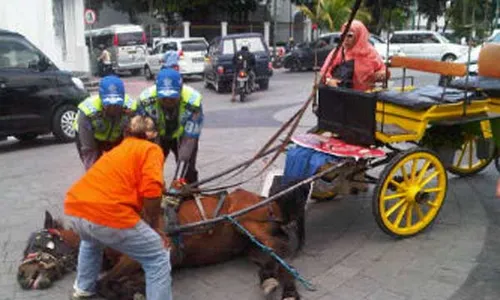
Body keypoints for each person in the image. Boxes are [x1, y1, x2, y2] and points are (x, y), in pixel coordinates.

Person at [65, 115, 172, 300]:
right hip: (108, 216)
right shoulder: (151, 149)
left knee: (91, 241)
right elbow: (152, 192)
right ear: (154, 136)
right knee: (158, 256)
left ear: (126, 133)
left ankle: (83, 291)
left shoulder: (118, 150)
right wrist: (154, 228)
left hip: (77, 211)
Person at [138, 68, 203, 184]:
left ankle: (190, 194)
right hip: (158, 135)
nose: (168, 100)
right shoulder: (145, 100)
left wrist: (177, 182)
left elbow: (189, 142)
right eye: (164, 97)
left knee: (187, 170)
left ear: (180, 90)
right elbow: (147, 139)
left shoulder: (194, 102)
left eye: (172, 97)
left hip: (185, 135)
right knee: (151, 167)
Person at [74, 75, 138, 170]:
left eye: (117, 103)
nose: (113, 108)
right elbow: (89, 151)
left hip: (116, 136)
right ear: (101, 97)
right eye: (109, 104)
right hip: (92, 137)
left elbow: (132, 144)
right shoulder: (87, 112)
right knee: (96, 169)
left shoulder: (131, 108)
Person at [320, 20, 389, 92]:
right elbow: (324, 71)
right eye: (343, 35)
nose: (345, 39)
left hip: (364, 96)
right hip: (341, 95)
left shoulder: (371, 53)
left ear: (359, 36)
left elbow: (382, 70)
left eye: (349, 36)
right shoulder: (338, 52)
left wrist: (382, 75)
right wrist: (330, 80)